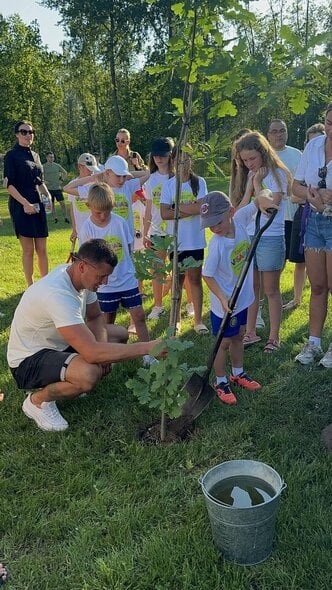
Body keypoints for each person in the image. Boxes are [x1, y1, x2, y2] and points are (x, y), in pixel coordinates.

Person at [7, 238, 166, 432]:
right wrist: (148, 347)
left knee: (119, 334)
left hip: (57, 343)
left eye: (107, 276)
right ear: (82, 266)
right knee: (89, 375)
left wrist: (103, 349)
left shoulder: (80, 278)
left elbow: (95, 316)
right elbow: (91, 352)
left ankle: (70, 374)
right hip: (28, 360)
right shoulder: (57, 293)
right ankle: (37, 402)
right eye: (101, 276)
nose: (105, 282)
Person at [201, 191, 275, 404]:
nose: (215, 228)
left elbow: (260, 198)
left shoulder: (241, 220)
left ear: (231, 212)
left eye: (218, 222)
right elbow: (207, 275)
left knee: (239, 336)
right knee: (223, 342)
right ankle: (221, 381)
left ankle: (238, 372)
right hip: (224, 303)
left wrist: (266, 201)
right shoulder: (217, 244)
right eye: (210, 225)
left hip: (241, 298)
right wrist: (223, 299)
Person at [78, 183, 154, 363]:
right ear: (89, 207)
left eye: (107, 211)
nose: (103, 216)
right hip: (104, 286)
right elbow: (86, 259)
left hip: (127, 279)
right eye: (98, 213)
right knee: (106, 322)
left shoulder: (120, 222)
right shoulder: (87, 229)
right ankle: (107, 358)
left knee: (139, 316)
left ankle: (148, 355)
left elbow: (128, 249)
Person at [231, 131, 292, 352]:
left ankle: (274, 337)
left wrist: (257, 183)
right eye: (245, 160)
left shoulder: (278, 175)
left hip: (270, 238)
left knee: (271, 290)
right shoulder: (249, 175)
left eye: (252, 159)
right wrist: (249, 186)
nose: (249, 164)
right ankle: (250, 332)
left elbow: (268, 209)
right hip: (249, 237)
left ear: (263, 152)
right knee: (252, 288)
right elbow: (239, 212)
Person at [292, 103, 332, 368]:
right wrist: (312, 196)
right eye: (329, 122)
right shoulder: (314, 146)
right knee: (317, 286)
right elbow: (295, 186)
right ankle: (314, 342)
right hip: (315, 222)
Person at [160, 146, 209, 334]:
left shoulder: (200, 182)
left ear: (191, 161)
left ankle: (198, 320)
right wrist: (190, 208)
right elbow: (164, 213)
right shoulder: (169, 185)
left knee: (195, 281)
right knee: (176, 282)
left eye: (186, 159)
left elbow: (202, 208)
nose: (183, 164)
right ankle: (176, 321)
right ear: (173, 163)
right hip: (176, 243)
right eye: (179, 161)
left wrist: (177, 208)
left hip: (195, 241)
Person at [3, 120, 52, 287]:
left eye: (31, 132)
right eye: (24, 132)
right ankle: (31, 286)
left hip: (37, 203)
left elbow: (39, 181)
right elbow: (9, 185)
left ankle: (45, 284)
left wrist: (48, 195)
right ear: (17, 134)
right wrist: (25, 203)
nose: (28, 135)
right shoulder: (11, 155)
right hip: (20, 204)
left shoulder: (36, 156)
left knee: (42, 249)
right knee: (28, 250)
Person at [267, 119, 303, 310]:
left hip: (295, 215)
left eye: (282, 130)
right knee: (276, 261)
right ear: (268, 135)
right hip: (273, 218)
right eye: (274, 131)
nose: (279, 135)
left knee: (299, 260)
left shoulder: (297, 155)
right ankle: (271, 294)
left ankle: (296, 298)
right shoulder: (265, 157)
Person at [143, 137, 174, 320]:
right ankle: (158, 305)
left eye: (163, 155)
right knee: (157, 269)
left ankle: (187, 303)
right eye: (155, 155)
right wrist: (146, 232)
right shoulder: (151, 179)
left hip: (175, 230)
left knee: (179, 269)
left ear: (171, 155)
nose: (159, 159)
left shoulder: (177, 178)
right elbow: (148, 209)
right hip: (157, 230)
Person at [66, 153, 100, 244]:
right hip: (81, 228)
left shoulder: (96, 184)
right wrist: (74, 229)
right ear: (79, 167)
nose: (91, 173)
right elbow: (73, 209)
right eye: (88, 169)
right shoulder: (73, 184)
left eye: (93, 169)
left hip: (96, 227)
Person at [43, 151, 69, 223]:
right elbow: (39, 177)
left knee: (62, 203)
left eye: (53, 157)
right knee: (52, 204)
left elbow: (65, 172)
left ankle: (66, 218)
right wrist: (44, 181)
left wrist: (61, 180)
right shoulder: (43, 167)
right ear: (47, 158)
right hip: (48, 189)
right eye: (50, 157)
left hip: (57, 188)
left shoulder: (57, 165)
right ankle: (55, 218)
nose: (52, 158)